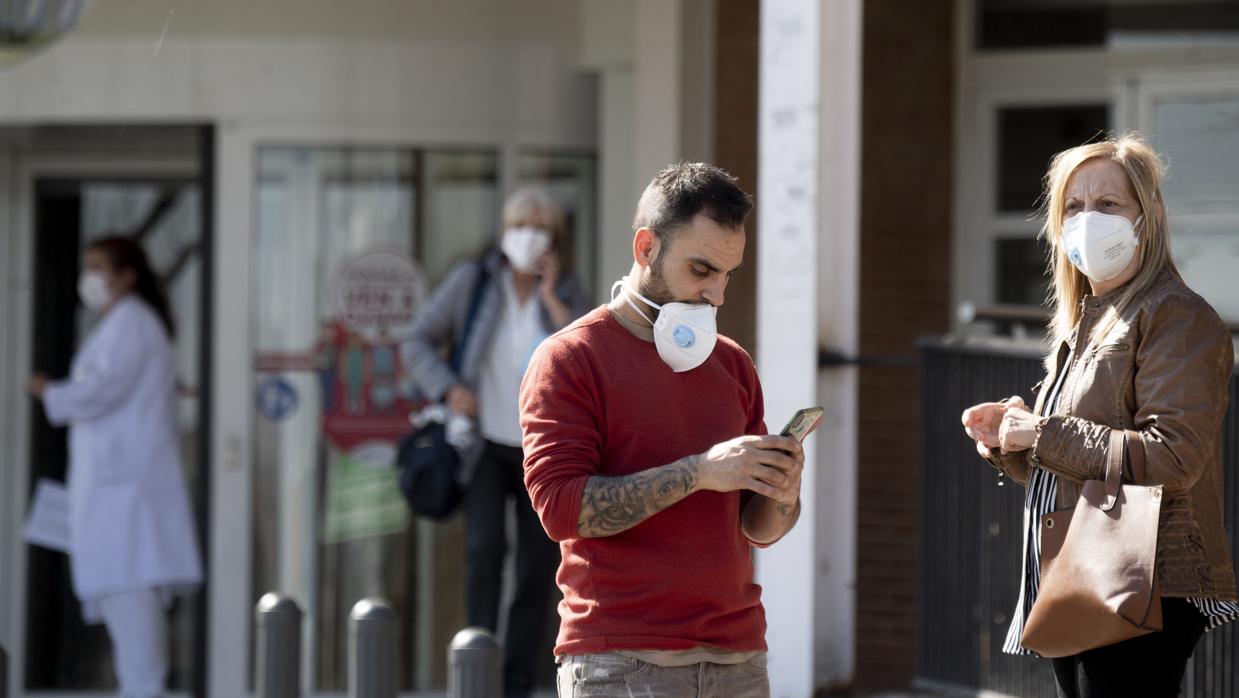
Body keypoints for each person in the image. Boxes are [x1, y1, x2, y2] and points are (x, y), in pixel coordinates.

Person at [961, 134, 1239, 698]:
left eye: (1108, 205)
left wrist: (1042, 431)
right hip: (1084, 572)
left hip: (1142, 581)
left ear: (1149, 215)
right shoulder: (1091, 321)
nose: (1089, 219)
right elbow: (1083, 461)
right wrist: (1015, 444)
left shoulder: (1175, 316)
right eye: (1074, 206)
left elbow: (1173, 456)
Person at [520, 163, 804, 698]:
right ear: (647, 247)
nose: (716, 295)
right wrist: (698, 473)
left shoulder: (733, 364)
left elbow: (759, 528)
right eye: (701, 270)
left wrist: (783, 491)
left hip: (738, 660)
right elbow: (560, 510)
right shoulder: (570, 358)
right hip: (621, 663)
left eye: (728, 275)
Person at [402, 187, 591, 698]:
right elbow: (417, 338)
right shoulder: (474, 282)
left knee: (537, 567)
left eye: (538, 226)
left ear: (555, 238)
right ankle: (476, 669)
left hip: (538, 448)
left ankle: (513, 682)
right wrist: (448, 388)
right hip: (483, 444)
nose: (526, 235)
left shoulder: (570, 293)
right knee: (485, 550)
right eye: (518, 224)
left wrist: (552, 298)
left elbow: (585, 359)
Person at [26, 235, 203, 698]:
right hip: (119, 508)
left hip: (129, 514)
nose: (90, 278)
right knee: (134, 654)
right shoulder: (125, 325)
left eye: (99, 267)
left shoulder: (133, 325)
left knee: (140, 661)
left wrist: (50, 392)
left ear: (128, 276)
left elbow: (100, 391)